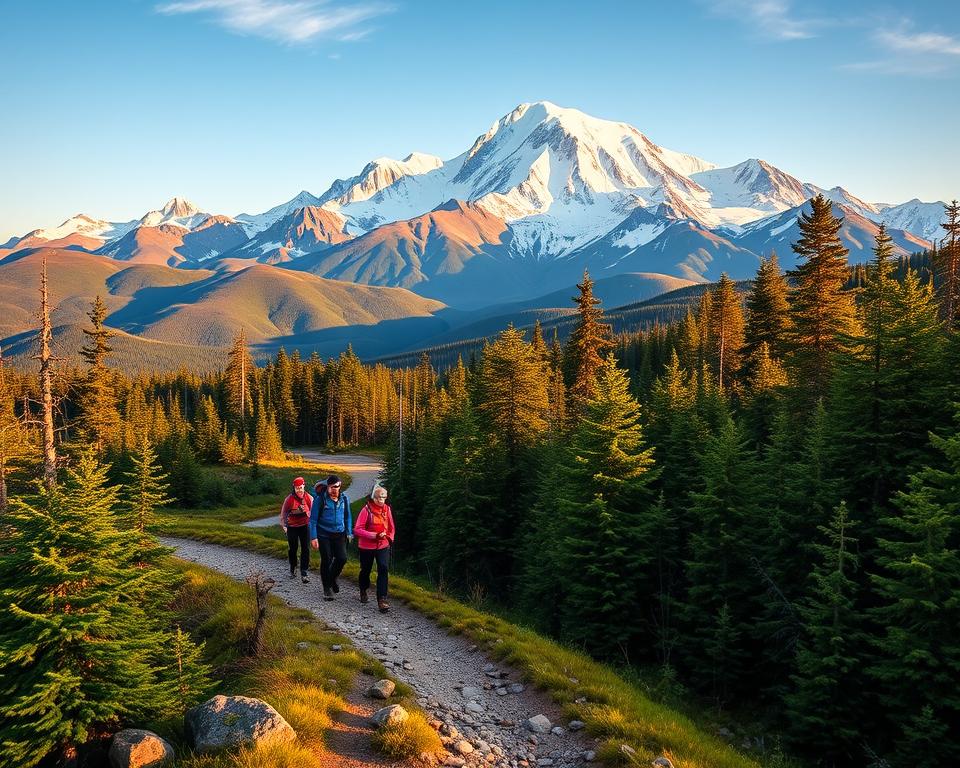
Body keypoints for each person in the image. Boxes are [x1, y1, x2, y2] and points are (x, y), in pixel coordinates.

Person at [354, 482, 395, 613]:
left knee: (383, 568)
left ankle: (382, 599)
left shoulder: (387, 509)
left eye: (384, 497)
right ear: (374, 497)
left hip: (383, 545)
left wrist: (389, 538)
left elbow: (391, 527)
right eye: (379, 498)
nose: (382, 500)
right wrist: (374, 535)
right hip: (366, 546)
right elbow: (358, 530)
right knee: (366, 569)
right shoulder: (366, 510)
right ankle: (363, 589)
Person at [310, 474, 352, 600]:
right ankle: (327, 588)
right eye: (332, 487)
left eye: (338, 486)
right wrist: (313, 537)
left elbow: (348, 516)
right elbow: (312, 520)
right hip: (324, 534)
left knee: (342, 558)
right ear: (327, 487)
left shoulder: (344, 499)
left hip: (339, 533)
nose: (335, 489)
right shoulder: (320, 500)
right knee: (327, 559)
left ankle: (332, 578)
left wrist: (349, 532)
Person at [280, 477, 313, 583]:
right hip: (292, 526)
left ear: (304, 486)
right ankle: (293, 566)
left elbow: (314, 512)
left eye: (300, 487)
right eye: (296, 488)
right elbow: (283, 513)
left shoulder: (309, 497)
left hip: (305, 525)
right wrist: (284, 526)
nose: (299, 490)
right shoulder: (289, 499)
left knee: (306, 549)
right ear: (293, 488)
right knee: (293, 549)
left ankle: (304, 572)